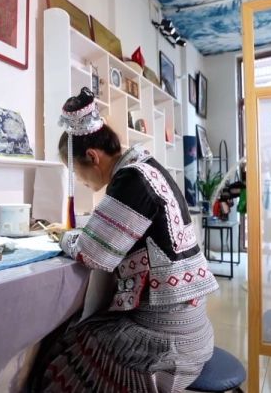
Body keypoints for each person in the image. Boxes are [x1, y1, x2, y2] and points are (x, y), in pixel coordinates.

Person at [32, 87, 219, 393]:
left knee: (62, 351)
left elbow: (93, 254)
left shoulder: (131, 179)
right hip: (193, 332)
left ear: (92, 157)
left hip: (165, 346)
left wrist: (63, 236)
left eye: (75, 172)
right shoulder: (148, 167)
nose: (79, 181)